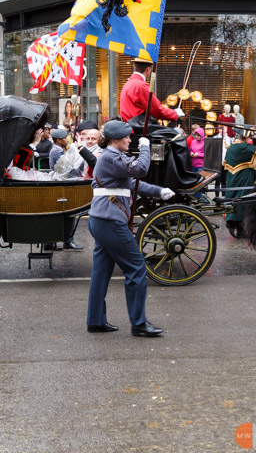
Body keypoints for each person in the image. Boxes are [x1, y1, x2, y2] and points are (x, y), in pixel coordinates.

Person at [86, 120, 173, 337]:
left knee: (101, 272)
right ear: (116, 139)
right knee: (136, 266)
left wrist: (159, 191)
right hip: (110, 220)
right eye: (126, 137)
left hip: (102, 219)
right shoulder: (110, 157)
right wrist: (145, 148)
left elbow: (133, 184)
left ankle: (96, 320)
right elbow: (141, 169)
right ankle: (139, 323)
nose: (129, 140)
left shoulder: (113, 157)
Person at [223, 131, 256, 239]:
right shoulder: (244, 147)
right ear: (245, 137)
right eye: (248, 137)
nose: (249, 139)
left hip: (232, 179)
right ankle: (235, 224)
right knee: (243, 201)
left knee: (234, 200)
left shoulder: (231, 147)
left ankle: (239, 228)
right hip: (243, 178)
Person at [120, 58, 182, 123]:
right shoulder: (141, 86)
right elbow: (156, 110)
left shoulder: (127, 84)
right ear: (148, 69)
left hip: (130, 126)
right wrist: (175, 113)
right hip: (139, 127)